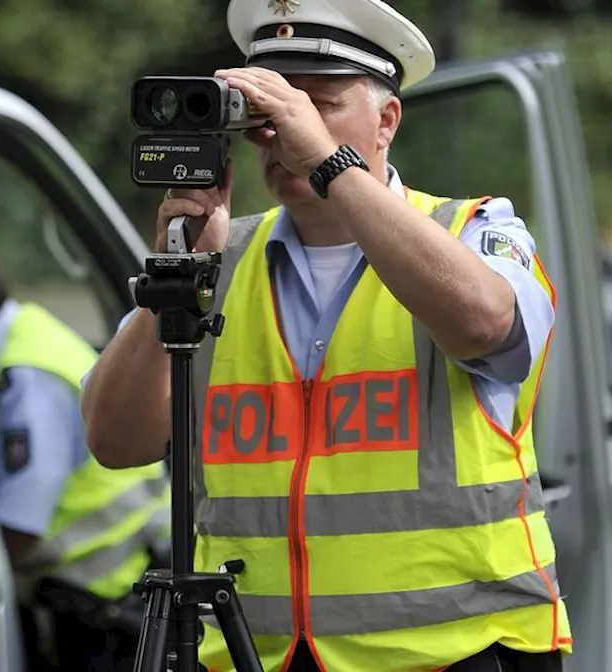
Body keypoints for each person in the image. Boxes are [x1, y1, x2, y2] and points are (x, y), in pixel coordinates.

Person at [81, 1, 570, 671]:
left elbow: (489, 326)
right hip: (264, 654)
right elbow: (115, 440)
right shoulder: (219, 261)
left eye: (319, 104)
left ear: (386, 120)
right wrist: (177, 275)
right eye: (274, 110)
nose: (285, 130)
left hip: (456, 651)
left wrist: (330, 166)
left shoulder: (475, 231)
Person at [0, 207, 170, 672]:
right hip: (106, 593)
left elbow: (21, 524)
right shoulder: (25, 333)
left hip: (107, 606)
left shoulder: (26, 380)